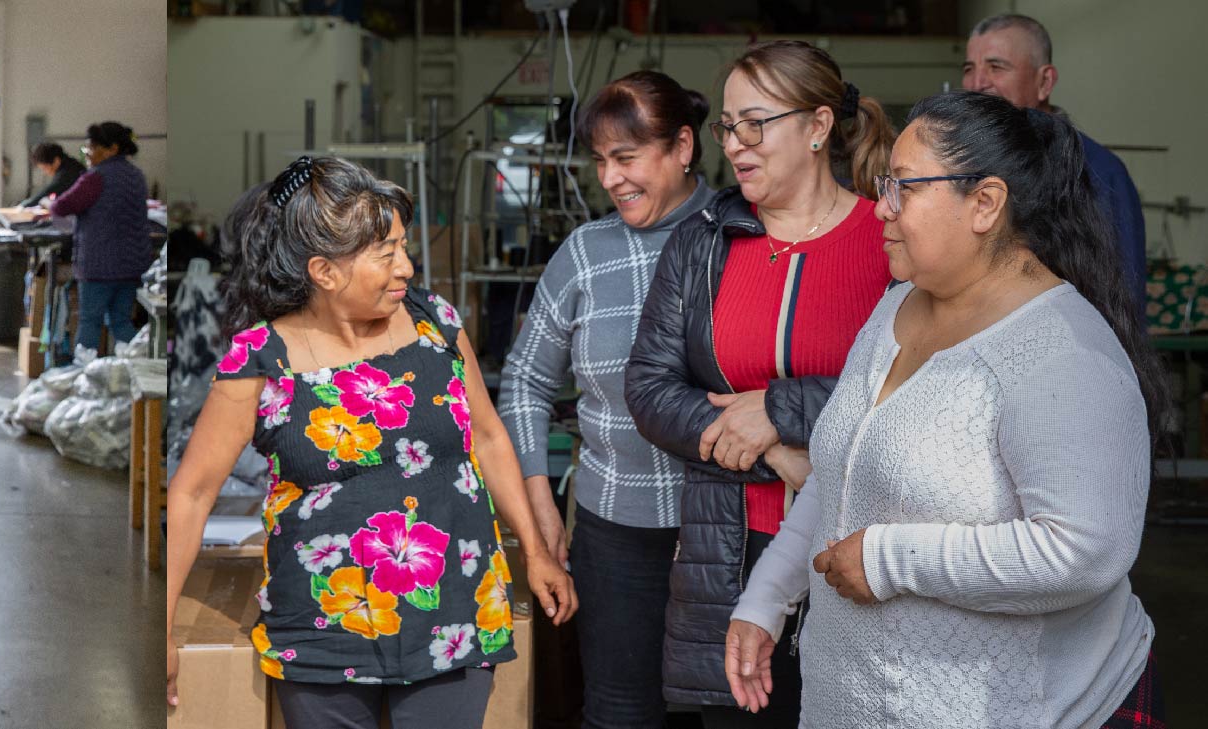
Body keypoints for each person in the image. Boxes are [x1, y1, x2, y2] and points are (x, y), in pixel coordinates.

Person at [725, 90, 1166, 728]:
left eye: (904, 187)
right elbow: (843, 470)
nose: (881, 208)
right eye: (884, 186)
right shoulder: (895, 307)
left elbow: (1086, 549)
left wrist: (889, 560)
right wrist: (766, 599)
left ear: (984, 203)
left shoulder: (1061, 351)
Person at [164, 156, 577, 728]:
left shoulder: (436, 324)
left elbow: (488, 437)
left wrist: (534, 551)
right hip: (321, 627)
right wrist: (160, 633)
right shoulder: (259, 358)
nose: (406, 267)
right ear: (325, 272)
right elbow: (191, 492)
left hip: (453, 612)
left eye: (403, 247)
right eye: (386, 254)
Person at [623, 40, 896, 728]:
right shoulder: (704, 240)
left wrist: (780, 409)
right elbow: (650, 386)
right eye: (728, 127)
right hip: (727, 550)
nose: (736, 145)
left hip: (853, 542)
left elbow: (912, 385)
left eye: (756, 123)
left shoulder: (887, 240)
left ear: (816, 126)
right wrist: (772, 447)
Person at [496, 70, 713, 729]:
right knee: (619, 714)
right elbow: (524, 382)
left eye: (626, 157)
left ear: (681, 146)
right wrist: (539, 510)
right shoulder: (584, 253)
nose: (611, 178)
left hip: (722, 528)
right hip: (613, 532)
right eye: (600, 162)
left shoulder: (736, 238)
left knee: (719, 713)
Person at [963, 13, 1147, 307]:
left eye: (996, 67)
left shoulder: (1098, 171)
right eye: (969, 68)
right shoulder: (959, 164)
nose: (977, 82)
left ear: (1044, 81)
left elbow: (1123, 297)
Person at [46, 121, 151, 359]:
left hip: (99, 267)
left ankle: (86, 380)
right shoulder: (136, 176)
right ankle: (133, 372)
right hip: (132, 266)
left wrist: (52, 205)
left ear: (112, 148)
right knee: (121, 320)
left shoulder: (96, 177)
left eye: (92, 149)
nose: (88, 155)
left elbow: (63, 205)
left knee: (90, 321)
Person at [17, 141, 85, 208]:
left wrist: (23, 205)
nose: (45, 173)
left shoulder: (68, 172)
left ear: (56, 161)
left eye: (45, 168)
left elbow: (48, 191)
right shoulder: (70, 164)